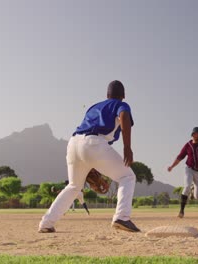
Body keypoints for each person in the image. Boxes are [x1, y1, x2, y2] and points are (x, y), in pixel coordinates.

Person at [39, 80, 139, 233]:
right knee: (127, 176)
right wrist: (127, 147)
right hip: (94, 143)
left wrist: (91, 166)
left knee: (73, 187)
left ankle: (46, 223)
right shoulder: (121, 105)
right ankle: (122, 217)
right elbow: (124, 116)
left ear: (107, 95)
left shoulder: (94, 107)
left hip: (73, 143)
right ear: (123, 96)